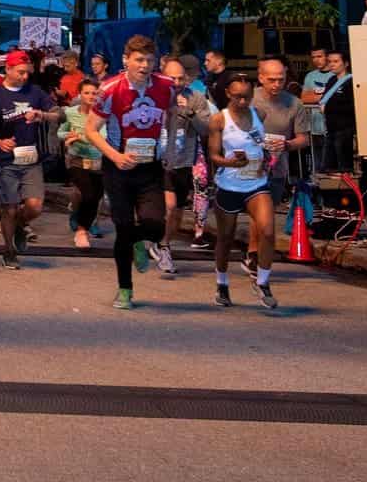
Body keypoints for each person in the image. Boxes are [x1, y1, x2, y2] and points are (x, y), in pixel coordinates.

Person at [87, 35, 180, 310]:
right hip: (119, 168)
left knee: (156, 225)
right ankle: (125, 289)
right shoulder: (110, 89)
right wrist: (115, 156)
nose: (144, 66)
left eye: (150, 61)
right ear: (126, 60)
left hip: (150, 166)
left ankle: (140, 243)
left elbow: (172, 114)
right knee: (123, 227)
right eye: (139, 60)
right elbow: (91, 130)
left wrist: (168, 146)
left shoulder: (166, 87)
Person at [207, 74, 281, 310]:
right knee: (226, 239)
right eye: (238, 97)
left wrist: (267, 155)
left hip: (256, 185)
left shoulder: (259, 114)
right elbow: (214, 156)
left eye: (247, 97)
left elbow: (260, 144)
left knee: (268, 231)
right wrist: (230, 162)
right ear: (228, 93)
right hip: (229, 185)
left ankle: (263, 283)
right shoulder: (219, 120)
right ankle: (222, 283)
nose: (242, 101)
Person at [0, 50, 54, 271]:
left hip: (31, 158)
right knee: (9, 208)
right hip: (5, 160)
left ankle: (21, 224)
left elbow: (58, 113)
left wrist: (42, 115)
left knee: (35, 206)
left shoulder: (35, 92)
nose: (24, 77)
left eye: (27, 72)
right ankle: (9, 250)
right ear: (8, 69)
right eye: (20, 72)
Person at [147, 57, 213, 279]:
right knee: (169, 204)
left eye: (180, 78)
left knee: (176, 212)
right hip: (157, 160)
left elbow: (206, 129)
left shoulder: (195, 98)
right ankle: (154, 241)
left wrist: (190, 114)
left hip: (183, 160)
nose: (175, 82)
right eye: (170, 77)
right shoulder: (153, 94)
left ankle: (163, 245)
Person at [249, 54, 312, 278]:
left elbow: (303, 138)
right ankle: (254, 254)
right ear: (261, 78)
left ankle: (254, 255)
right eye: (271, 79)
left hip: (277, 167)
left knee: (265, 214)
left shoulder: (294, 104)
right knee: (260, 213)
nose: (276, 84)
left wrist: (287, 144)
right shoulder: (248, 99)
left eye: (281, 79)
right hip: (248, 167)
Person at [57, 79, 105, 249]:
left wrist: (82, 137)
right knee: (88, 194)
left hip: (98, 161)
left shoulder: (102, 113)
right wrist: (68, 136)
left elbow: (103, 137)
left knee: (96, 197)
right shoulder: (70, 112)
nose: (91, 96)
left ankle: (79, 215)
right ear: (80, 94)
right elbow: (60, 132)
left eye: (94, 93)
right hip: (76, 159)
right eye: (87, 93)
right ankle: (81, 231)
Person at [319, 48, 356, 173]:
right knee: (327, 166)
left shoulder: (351, 81)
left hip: (345, 129)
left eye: (335, 61)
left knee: (343, 166)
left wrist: (328, 107)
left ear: (346, 63)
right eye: (329, 61)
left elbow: (353, 106)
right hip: (330, 128)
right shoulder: (331, 80)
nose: (332, 64)